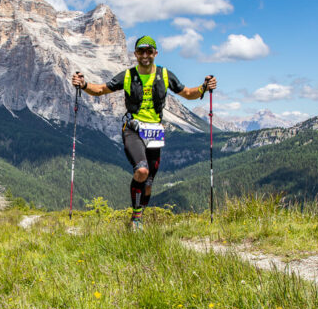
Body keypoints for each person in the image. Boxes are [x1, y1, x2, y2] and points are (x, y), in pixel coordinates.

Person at [71, 35, 217, 230]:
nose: (145, 55)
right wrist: (84, 85)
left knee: (148, 184)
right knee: (141, 170)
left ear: (155, 53)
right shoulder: (128, 75)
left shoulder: (165, 75)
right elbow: (101, 90)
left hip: (155, 132)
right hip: (133, 129)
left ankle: (140, 215)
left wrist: (204, 87)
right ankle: (136, 220)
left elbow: (188, 94)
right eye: (141, 51)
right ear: (136, 54)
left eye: (149, 51)